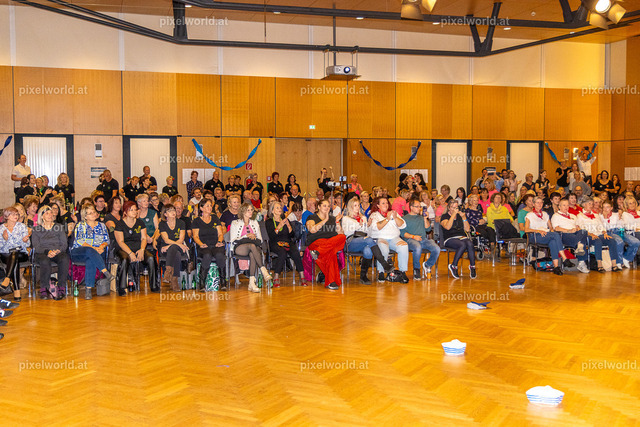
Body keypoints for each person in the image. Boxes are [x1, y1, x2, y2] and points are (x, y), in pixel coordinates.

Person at [342, 198, 394, 284]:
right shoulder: (346, 218)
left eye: (358, 205)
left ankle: (363, 276)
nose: (357, 207)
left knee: (368, 250)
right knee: (369, 240)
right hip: (351, 242)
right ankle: (384, 264)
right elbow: (347, 232)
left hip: (364, 240)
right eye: (355, 205)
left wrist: (368, 225)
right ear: (350, 207)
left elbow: (367, 232)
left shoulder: (363, 217)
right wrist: (360, 225)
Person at [70, 205, 114, 299]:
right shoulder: (81, 225)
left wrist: (102, 246)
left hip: (96, 252)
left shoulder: (102, 225)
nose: (94, 214)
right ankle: (105, 271)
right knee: (90, 251)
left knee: (91, 259)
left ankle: (88, 290)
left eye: (94, 212)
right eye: (90, 213)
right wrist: (94, 248)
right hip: (79, 251)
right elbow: (80, 241)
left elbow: (107, 240)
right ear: (85, 216)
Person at [113, 201, 157, 295]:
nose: (134, 212)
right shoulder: (119, 224)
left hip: (138, 248)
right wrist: (130, 253)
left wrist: (142, 249)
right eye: (131, 210)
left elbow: (144, 238)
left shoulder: (140, 222)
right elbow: (120, 242)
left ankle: (154, 285)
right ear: (125, 212)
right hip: (123, 249)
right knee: (124, 259)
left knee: (150, 258)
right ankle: (122, 287)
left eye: (135, 210)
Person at [524, 196, 571, 276]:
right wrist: (538, 231)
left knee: (553, 242)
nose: (540, 204)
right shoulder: (529, 215)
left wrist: (551, 232)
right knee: (555, 235)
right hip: (535, 235)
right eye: (537, 202)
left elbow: (551, 228)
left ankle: (556, 267)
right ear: (533, 204)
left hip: (546, 235)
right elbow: (526, 229)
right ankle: (564, 258)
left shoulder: (545, 214)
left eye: (541, 202)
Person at [306, 199, 346, 290]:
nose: (327, 208)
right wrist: (325, 220)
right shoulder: (312, 217)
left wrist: (337, 222)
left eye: (328, 206)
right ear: (319, 207)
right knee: (331, 253)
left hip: (327, 244)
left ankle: (318, 252)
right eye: (324, 206)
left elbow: (340, 233)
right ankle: (332, 282)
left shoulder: (332, 218)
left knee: (342, 237)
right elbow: (312, 230)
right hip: (317, 243)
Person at [230, 203, 271, 292]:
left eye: (251, 210)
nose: (251, 212)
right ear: (243, 211)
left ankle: (251, 283)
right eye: (248, 210)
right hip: (240, 247)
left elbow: (260, 240)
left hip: (253, 247)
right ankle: (263, 269)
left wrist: (254, 237)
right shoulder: (235, 223)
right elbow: (233, 240)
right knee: (252, 246)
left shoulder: (255, 223)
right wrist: (246, 236)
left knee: (252, 253)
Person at [32, 205, 70, 299]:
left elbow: (64, 244)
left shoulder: (59, 227)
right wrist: (48, 251)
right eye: (47, 213)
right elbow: (36, 247)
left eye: (51, 213)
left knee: (64, 258)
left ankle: (61, 287)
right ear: (41, 216)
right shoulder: (36, 229)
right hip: (42, 252)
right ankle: (44, 288)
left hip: (57, 251)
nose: (50, 215)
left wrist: (57, 251)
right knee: (44, 260)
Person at [368, 197, 409, 283]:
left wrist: (395, 217)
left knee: (404, 246)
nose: (386, 205)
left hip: (394, 238)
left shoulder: (393, 213)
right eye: (383, 203)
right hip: (381, 237)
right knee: (383, 247)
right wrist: (387, 218)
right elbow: (377, 227)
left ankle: (402, 271)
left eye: (387, 203)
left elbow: (403, 225)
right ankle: (381, 272)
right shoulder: (374, 215)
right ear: (378, 205)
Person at [265, 201, 305, 287]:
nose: (280, 209)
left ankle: (302, 276)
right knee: (282, 252)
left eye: (280, 207)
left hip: (287, 242)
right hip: (275, 243)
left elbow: (292, 235)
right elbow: (271, 236)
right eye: (277, 208)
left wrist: (289, 226)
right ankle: (276, 276)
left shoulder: (286, 220)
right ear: (272, 211)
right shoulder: (269, 222)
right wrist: (279, 226)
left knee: (295, 252)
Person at [576, 198, 622, 272]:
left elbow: (601, 226)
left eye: (592, 204)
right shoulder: (580, 216)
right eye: (589, 204)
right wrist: (591, 234)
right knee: (597, 241)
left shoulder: (596, 215)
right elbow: (581, 229)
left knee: (611, 240)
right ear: (584, 205)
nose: (591, 205)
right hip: (588, 235)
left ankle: (614, 264)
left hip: (599, 234)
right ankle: (599, 265)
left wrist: (605, 233)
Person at [191, 199, 227, 291]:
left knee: (220, 255)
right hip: (203, 246)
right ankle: (202, 282)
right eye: (207, 206)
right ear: (201, 208)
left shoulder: (215, 218)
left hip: (215, 244)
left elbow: (220, 234)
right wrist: (201, 244)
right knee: (207, 255)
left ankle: (223, 281)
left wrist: (219, 242)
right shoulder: (196, 221)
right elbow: (195, 236)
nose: (210, 207)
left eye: (211, 205)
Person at [402, 199, 440, 280]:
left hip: (423, 240)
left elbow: (428, 229)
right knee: (417, 247)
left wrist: (425, 218)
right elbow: (402, 233)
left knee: (436, 248)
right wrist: (413, 236)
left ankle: (427, 265)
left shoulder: (421, 217)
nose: (419, 208)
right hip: (410, 240)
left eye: (420, 207)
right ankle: (416, 269)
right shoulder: (405, 218)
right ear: (411, 207)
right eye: (417, 207)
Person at [156, 203, 189, 293]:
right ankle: (174, 280)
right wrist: (173, 245)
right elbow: (166, 240)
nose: (173, 212)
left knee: (174, 249)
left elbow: (181, 239)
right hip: (165, 250)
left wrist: (170, 246)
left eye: (173, 210)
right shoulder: (162, 224)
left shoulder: (181, 223)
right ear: (165, 214)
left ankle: (168, 272)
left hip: (176, 247)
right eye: (170, 211)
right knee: (176, 254)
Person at [551, 200, 590, 274]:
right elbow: (556, 228)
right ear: (559, 206)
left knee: (584, 231)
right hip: (564, 234)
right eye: (564, 205)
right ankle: (581, 261)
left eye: (567, 205)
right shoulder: (556, 216)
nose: (566, 207)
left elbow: (578, 226)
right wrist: (569, 230)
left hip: (575, 234)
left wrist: (577, 229)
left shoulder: (573, 216)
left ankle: (580, 248)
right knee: (581, 241)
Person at [0, 207, 30, 301]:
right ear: (6, 216)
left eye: (16, 214)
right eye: (13, 214)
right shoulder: (1, 228)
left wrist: (25, 241)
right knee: (14, 260)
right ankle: (17, 291)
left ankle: (7, 278)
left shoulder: (22, 226)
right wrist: (4, 239)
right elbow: (0, 247)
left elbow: (27, 245)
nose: (16, 216)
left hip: (21, 253)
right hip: (6, 254)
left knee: (15, 254)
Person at [602, 200, 638, 269]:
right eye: (604, 207)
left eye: (607, 207)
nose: (605, 209)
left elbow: (622, 224)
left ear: (611, 208)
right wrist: (605, 218)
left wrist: (619, 219)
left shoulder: (616, 215)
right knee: (619, 242)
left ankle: (626, 258)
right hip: (610, 232)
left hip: (619, 231)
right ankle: (619, 262)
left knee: (635, 242)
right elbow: (604, 227)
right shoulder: (600, 216)